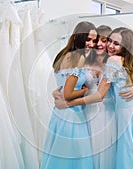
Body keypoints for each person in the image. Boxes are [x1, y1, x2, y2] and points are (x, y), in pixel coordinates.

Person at [55, 27, 133, 169]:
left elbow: (105, 92)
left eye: (106, 41)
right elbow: (70, 83)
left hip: (112, 113)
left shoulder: (112, 60)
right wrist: (57, 93)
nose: (101, 44)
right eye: (102, 41)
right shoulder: (84, 60)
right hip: (92, 113)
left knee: (121, 154)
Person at [40, 21, 97, 169]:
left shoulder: (63, 55)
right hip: (72, 113)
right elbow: (68, 93)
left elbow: (61, 85)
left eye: (93, 40)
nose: (91, 43)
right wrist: (84, 91)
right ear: (79, 37)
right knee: (76, 155)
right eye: (88, 39)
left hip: (59, 113)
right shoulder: (79, 57)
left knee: (59, 152)